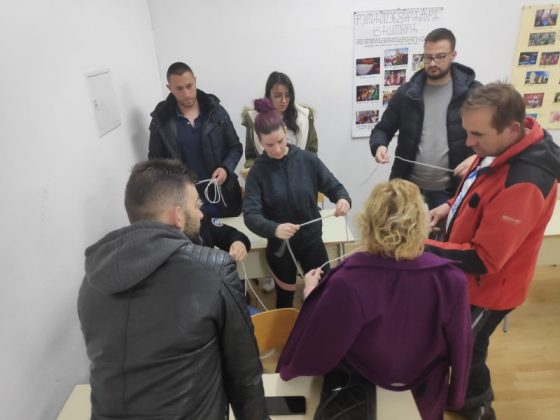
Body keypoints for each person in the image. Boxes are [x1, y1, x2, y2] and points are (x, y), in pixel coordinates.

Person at [78, 159, 267, 420]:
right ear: (177, 215)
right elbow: (245, 380)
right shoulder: (214, 270)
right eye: (197, 206)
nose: (201, 214)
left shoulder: (91, 283)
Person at [277, 179, 472, 420]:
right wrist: (456, 396)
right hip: (423, 397)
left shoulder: (348, 280)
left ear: (368, 222)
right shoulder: (451, 279)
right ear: (421, 224)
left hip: (363, 395)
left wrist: (311, 295)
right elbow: (461, 346)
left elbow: (319, 350)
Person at [425, 82, 560, 420]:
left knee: (467, 347)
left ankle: (478, 407)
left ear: (512, 128)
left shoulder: (525, 180)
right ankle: (462, 396)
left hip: (491, 289)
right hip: (471, 280)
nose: (468, 143)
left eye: (477, 134)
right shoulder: (498, 148)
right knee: (462, 344)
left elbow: (484, 259)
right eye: (467, 131)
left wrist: (421, 246)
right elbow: (476, 190)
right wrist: (448, 206)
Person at [243, 98, 351, 309]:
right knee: (285, 299)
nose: (277, 149)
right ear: (259, 141)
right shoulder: (257, 172)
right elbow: (250, 215)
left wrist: (343, 199)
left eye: (280, 141)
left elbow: (335, 187)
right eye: (269, 145)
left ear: (285, 131)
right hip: (280, 249)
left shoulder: (307, 160)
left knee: (322, 294)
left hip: (312, 242)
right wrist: (274, 229)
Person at [370, 28, 481, 209]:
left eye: (440, 57)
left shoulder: (473, 93)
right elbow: (383, 129)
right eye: (428, 57)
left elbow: (495, 137)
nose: (433, 63)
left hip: (451, 190)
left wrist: (477, 158)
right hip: (408, 188)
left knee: (443, 228)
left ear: (453, 55)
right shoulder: (407, 93)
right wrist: (379, 146)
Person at [149, 62, 243, 217]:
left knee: (230, 231)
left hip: (223, 195)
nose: (186, 94)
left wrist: (225, 168)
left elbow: (235, 147)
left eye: (189, 86)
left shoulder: (215, 111)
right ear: (169, 88)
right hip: (186, 202)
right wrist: (176, 183)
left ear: (195, 80)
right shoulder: (161, 120)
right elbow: (155, 163)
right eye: (179, 89)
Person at [242, 71, 318, 171]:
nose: (284, 100)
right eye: (278, 96)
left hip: (298, 174)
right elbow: (251, 155)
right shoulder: (255, 119)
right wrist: (251, 171)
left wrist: (308, 172)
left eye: (287, 95)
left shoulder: (304, 118)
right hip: (267, 176)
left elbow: (312, 152)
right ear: (269, 95)